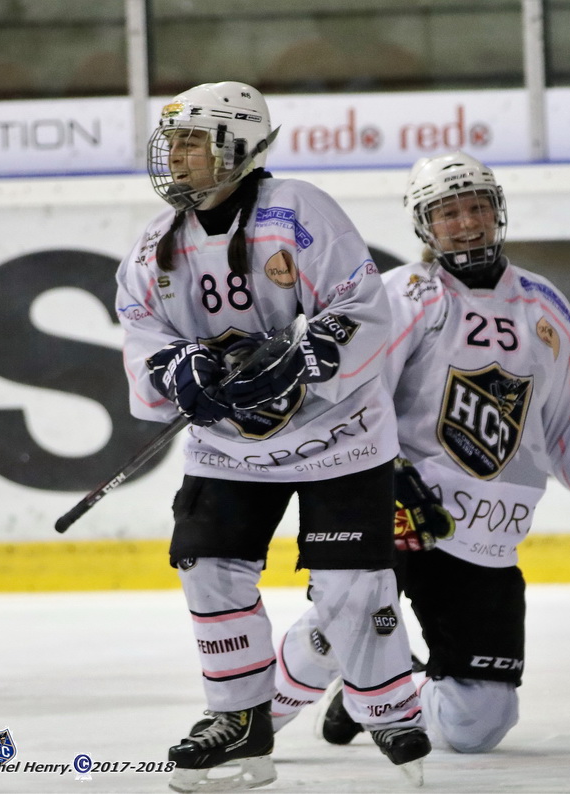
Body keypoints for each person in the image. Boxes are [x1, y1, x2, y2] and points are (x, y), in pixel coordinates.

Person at [265, 151, 570, 755]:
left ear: (498, 211)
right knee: (336, 627)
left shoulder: (543, 305)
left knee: (478, 725)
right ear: (424, 225)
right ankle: (247, 729)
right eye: (448, 213)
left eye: (476, 207)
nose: (466, 222)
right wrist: (387, 476)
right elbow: (350, 397)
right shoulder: (402, 295)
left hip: (484, 534)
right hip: (396, 515)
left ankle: (375, 694)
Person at [115, 81, 429, 791]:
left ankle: (387, 708)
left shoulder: (297, 209)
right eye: (173, 143)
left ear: (237, 144)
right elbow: (142, 331)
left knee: (351, 583)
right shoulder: (156, 244)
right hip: (230, 445)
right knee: (207, 565)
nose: (177, 157)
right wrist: (176, 368)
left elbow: (360, 308)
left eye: (192, 142)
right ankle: (240, 719)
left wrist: (297, 360)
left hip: (339, 434)